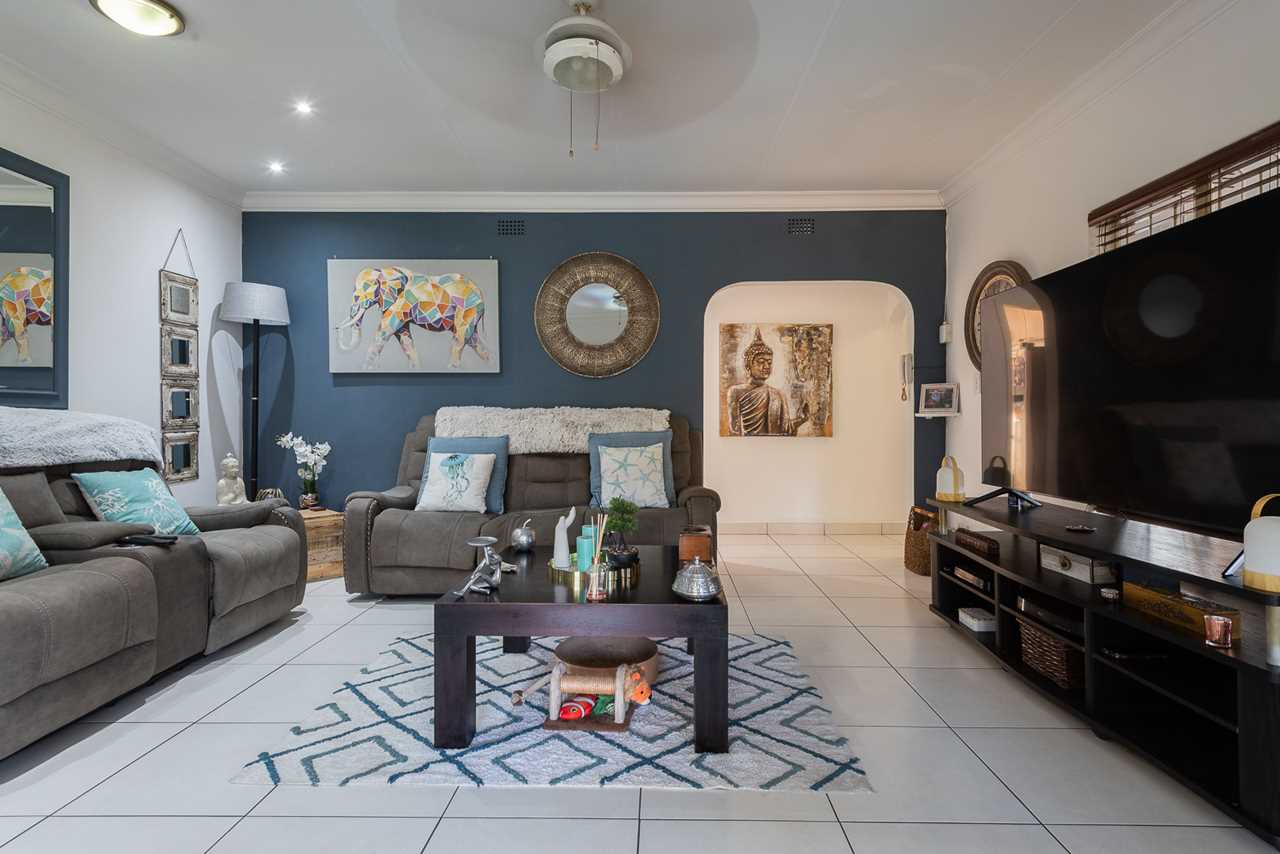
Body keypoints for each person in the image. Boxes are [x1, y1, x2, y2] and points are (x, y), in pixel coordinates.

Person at [726, 328, 810, 436]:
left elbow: (786, 428)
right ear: (748, 366)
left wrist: (802, 418)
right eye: (761, 362)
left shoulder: (779, 395)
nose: (766, 366)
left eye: (769, 362)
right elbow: (734, 432)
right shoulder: (735, 392)